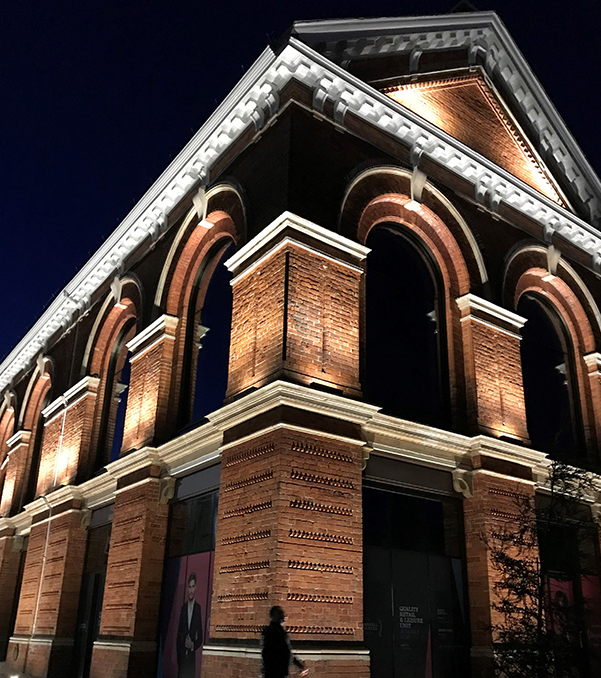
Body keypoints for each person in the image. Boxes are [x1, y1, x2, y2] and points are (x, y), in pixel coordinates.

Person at [261, 606, 309, 678]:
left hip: (277, 671)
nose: (282, 615)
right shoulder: (273, 631)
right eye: (280, 613)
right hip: (275, 671)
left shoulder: (279, 631)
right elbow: (280, 651)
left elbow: (286, 651)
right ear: (274, 615)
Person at [177, 571, 203, 678]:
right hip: (182, 658)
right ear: (187, 589)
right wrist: (179, 656)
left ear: (195, 587)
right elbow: (179, 635)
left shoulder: (198, 608)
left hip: (191, 659)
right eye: (189, 587)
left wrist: (193, 645)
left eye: (193, 586)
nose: (191, 590)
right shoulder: (183, 609)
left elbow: (200, 636)